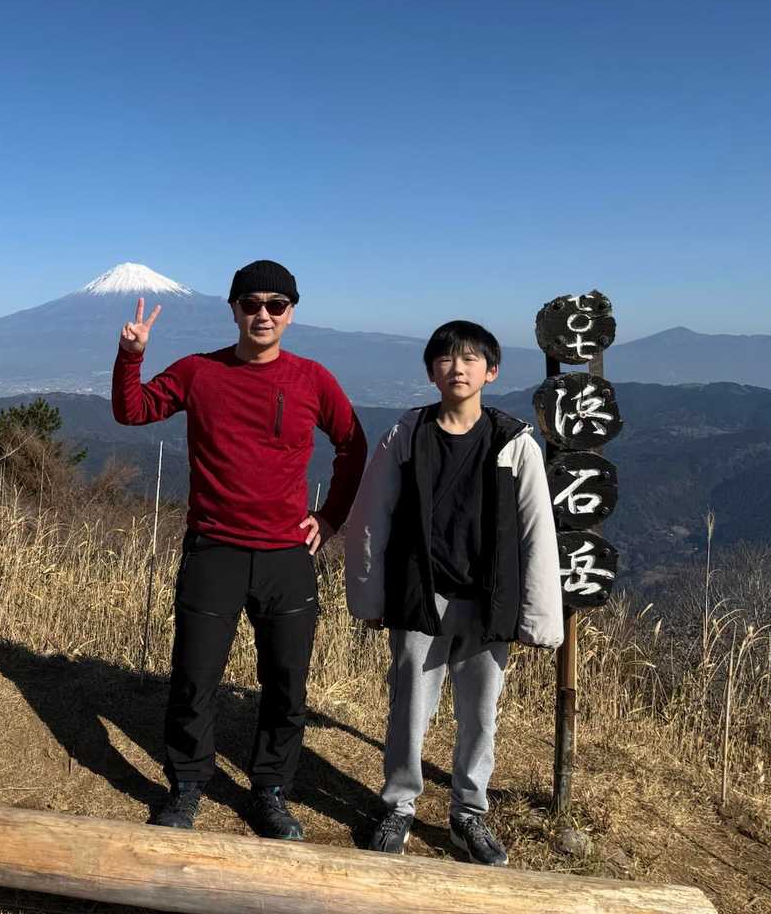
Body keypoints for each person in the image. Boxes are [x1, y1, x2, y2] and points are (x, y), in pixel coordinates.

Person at [113, 259, 367, 841]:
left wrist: (331, 517)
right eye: (251, 304)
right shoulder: (199, 371)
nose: (263, 314)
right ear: (233, 310)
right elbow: (132, 411)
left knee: (286, 682)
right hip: (214, 548)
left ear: (291, 313)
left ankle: (270, 790)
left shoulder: (312, 379)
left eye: (276, 305)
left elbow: (353, 444)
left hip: (286, 555)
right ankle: (187, 785)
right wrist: (131, 355)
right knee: (194, 677)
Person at [344, 320, 562, 866]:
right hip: (421, 594)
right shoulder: (407, 435)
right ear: (431, 372)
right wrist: (370, 596)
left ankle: (469, 813)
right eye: (446, 358)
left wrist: (539, 618)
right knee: (409, 707)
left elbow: (537, 531)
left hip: (489, 599)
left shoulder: (514, 444)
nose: (457, 368)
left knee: (481, 713)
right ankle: (398, 805)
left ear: (492, 372)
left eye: (470, 359)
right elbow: (371, 518)